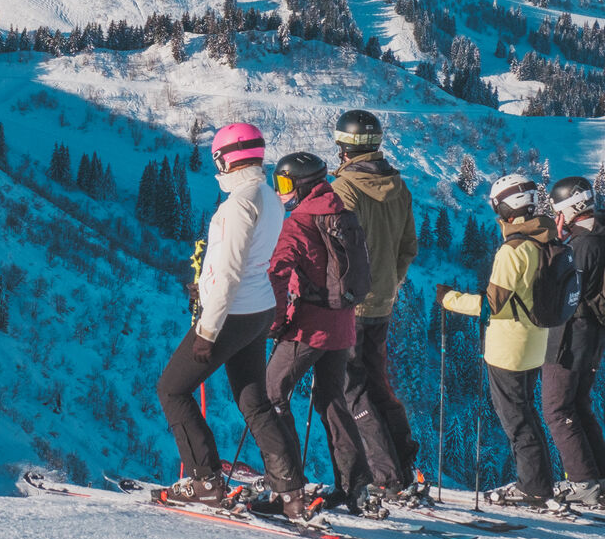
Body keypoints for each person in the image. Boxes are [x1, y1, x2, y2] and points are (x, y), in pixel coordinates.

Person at [154, 123, 302, 511]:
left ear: (227, 158)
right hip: (258, 310)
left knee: (171, 389)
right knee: (254, 401)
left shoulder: (238, 204)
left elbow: (229, 269)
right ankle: (291, 488)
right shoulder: (269, 196)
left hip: (231, 312)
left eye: (217, 158)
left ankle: (205, 480)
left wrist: (207, 328)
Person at [263, 151, 376, 516]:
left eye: (283, 183)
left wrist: (274, 324)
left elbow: (278, 275)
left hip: (310, 326)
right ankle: (356, 486)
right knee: (331, 401)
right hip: (343, 323)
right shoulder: (340, 213)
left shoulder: (299, 222)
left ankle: (286, 486)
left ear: (301, 184)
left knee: (271, 394)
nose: (280, 192)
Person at [435, 174, 558, 508]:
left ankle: (533, 487)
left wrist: (449, 300)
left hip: (509, 348)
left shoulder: (513, 250)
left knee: (516, 420)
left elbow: (493, 305)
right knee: (527, 414)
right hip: (535, 341)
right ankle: (541, 483)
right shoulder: (546, 239)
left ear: (506, 208)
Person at [329, 110, 420, 501]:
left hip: (351, 303)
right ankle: (403, 465)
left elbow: (337, 252)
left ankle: (385, 477)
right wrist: (390, 283)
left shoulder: (344, 189)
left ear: (345, 148)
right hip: (383, 300)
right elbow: (408, 248)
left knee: (352, 389)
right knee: (379, 385)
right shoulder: (399, 187)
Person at [544, 175, 605, 507]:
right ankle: (601, 481)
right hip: (595, 335)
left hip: (571, 338)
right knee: (579, 406)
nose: (558, 217)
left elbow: (566, 293)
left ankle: (583, 482)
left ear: (571, 208)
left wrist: (554, 247)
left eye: (558, 210)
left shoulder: (583, 245)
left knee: (556, 409)